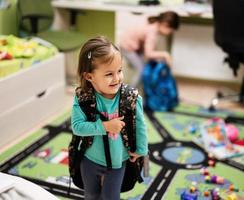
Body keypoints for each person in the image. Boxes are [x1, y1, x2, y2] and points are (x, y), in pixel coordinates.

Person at [71, 36, 148, 200]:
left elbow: (140, 125)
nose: (117, 78)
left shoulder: (130, 98)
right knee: (91, 194)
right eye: (108, 74)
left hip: (117, 161)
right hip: (90, 159)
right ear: (89, 76)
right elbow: (77, 127)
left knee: (111, 197)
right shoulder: (83, 98)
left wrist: (141, 149)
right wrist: (105, 126)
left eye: (119, 71)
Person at [120, 11, 180, 86]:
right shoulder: (152, 32)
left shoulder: (155, 25)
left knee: (147, 65)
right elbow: (148, 54)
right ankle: (129, 94)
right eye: (170, 31)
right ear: (165, 25)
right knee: (142, 70)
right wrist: (165, 55)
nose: (169, 33)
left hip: (135, 47)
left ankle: (143, 90)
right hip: (127, 47)